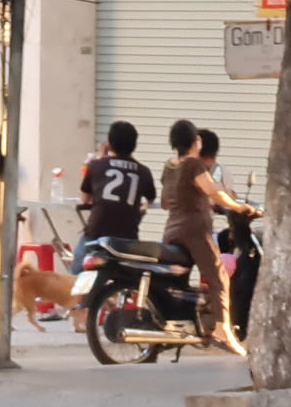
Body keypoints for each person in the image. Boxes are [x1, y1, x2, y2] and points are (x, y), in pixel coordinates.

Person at [162, 128, 258, 354]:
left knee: (180, 280)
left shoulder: (169, 166)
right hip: (194, 230)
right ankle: (222, 331)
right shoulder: (193, 165)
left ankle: (182, 323)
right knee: (219, 276)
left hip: (172, 230)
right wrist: (237, 206)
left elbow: (165, 201)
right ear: (196, 142)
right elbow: (213, 191)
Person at [72, 120, 156, 274]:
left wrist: (100, 156)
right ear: (134, 145)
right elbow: (150, 199)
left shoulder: (96, 166)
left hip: (97, 233)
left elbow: (84, 198)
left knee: (76, 268)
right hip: (128, 238)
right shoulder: (143, 171)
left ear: (109, 144)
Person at [159, 119, 197, 213]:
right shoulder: (195, 166)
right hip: (193, 223)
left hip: (173, 224)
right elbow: (213, 193)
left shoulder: (169, 166)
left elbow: (164, 203)